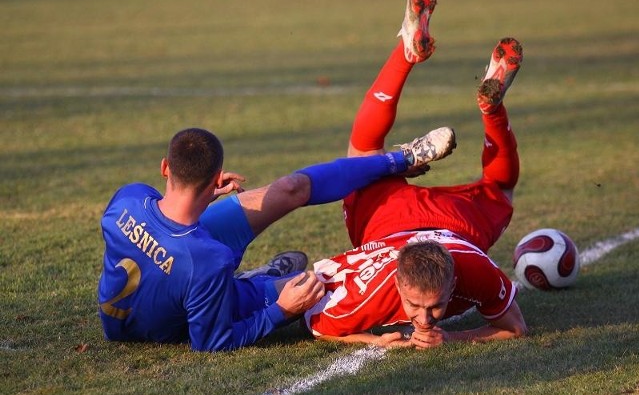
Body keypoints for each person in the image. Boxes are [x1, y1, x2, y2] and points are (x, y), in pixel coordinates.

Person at [303, 0, 528, 349]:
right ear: (395, 280)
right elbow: (514, 326)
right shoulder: (476, 271)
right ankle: (493, 110)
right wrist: (393, 341)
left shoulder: (471, 270)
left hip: (398, 219)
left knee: (363, 153)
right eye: (416, 306)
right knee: (496, 188)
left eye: (436, 307)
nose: (423, 319)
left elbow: (319, 323)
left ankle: (406, 52)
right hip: (449, 225)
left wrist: (449, 338)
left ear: (453, 280)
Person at [97, 116, 451, 352]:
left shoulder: (128, 199)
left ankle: (399, 159)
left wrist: (203, 196)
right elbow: (211, 342)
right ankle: (257, 284)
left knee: (290, 189)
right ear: (215, 176)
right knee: (316, 287)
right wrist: (280, 311)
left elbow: (162, 223)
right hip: (188, 281)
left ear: (164, 167)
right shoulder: (209, 261)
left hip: (180, 256)